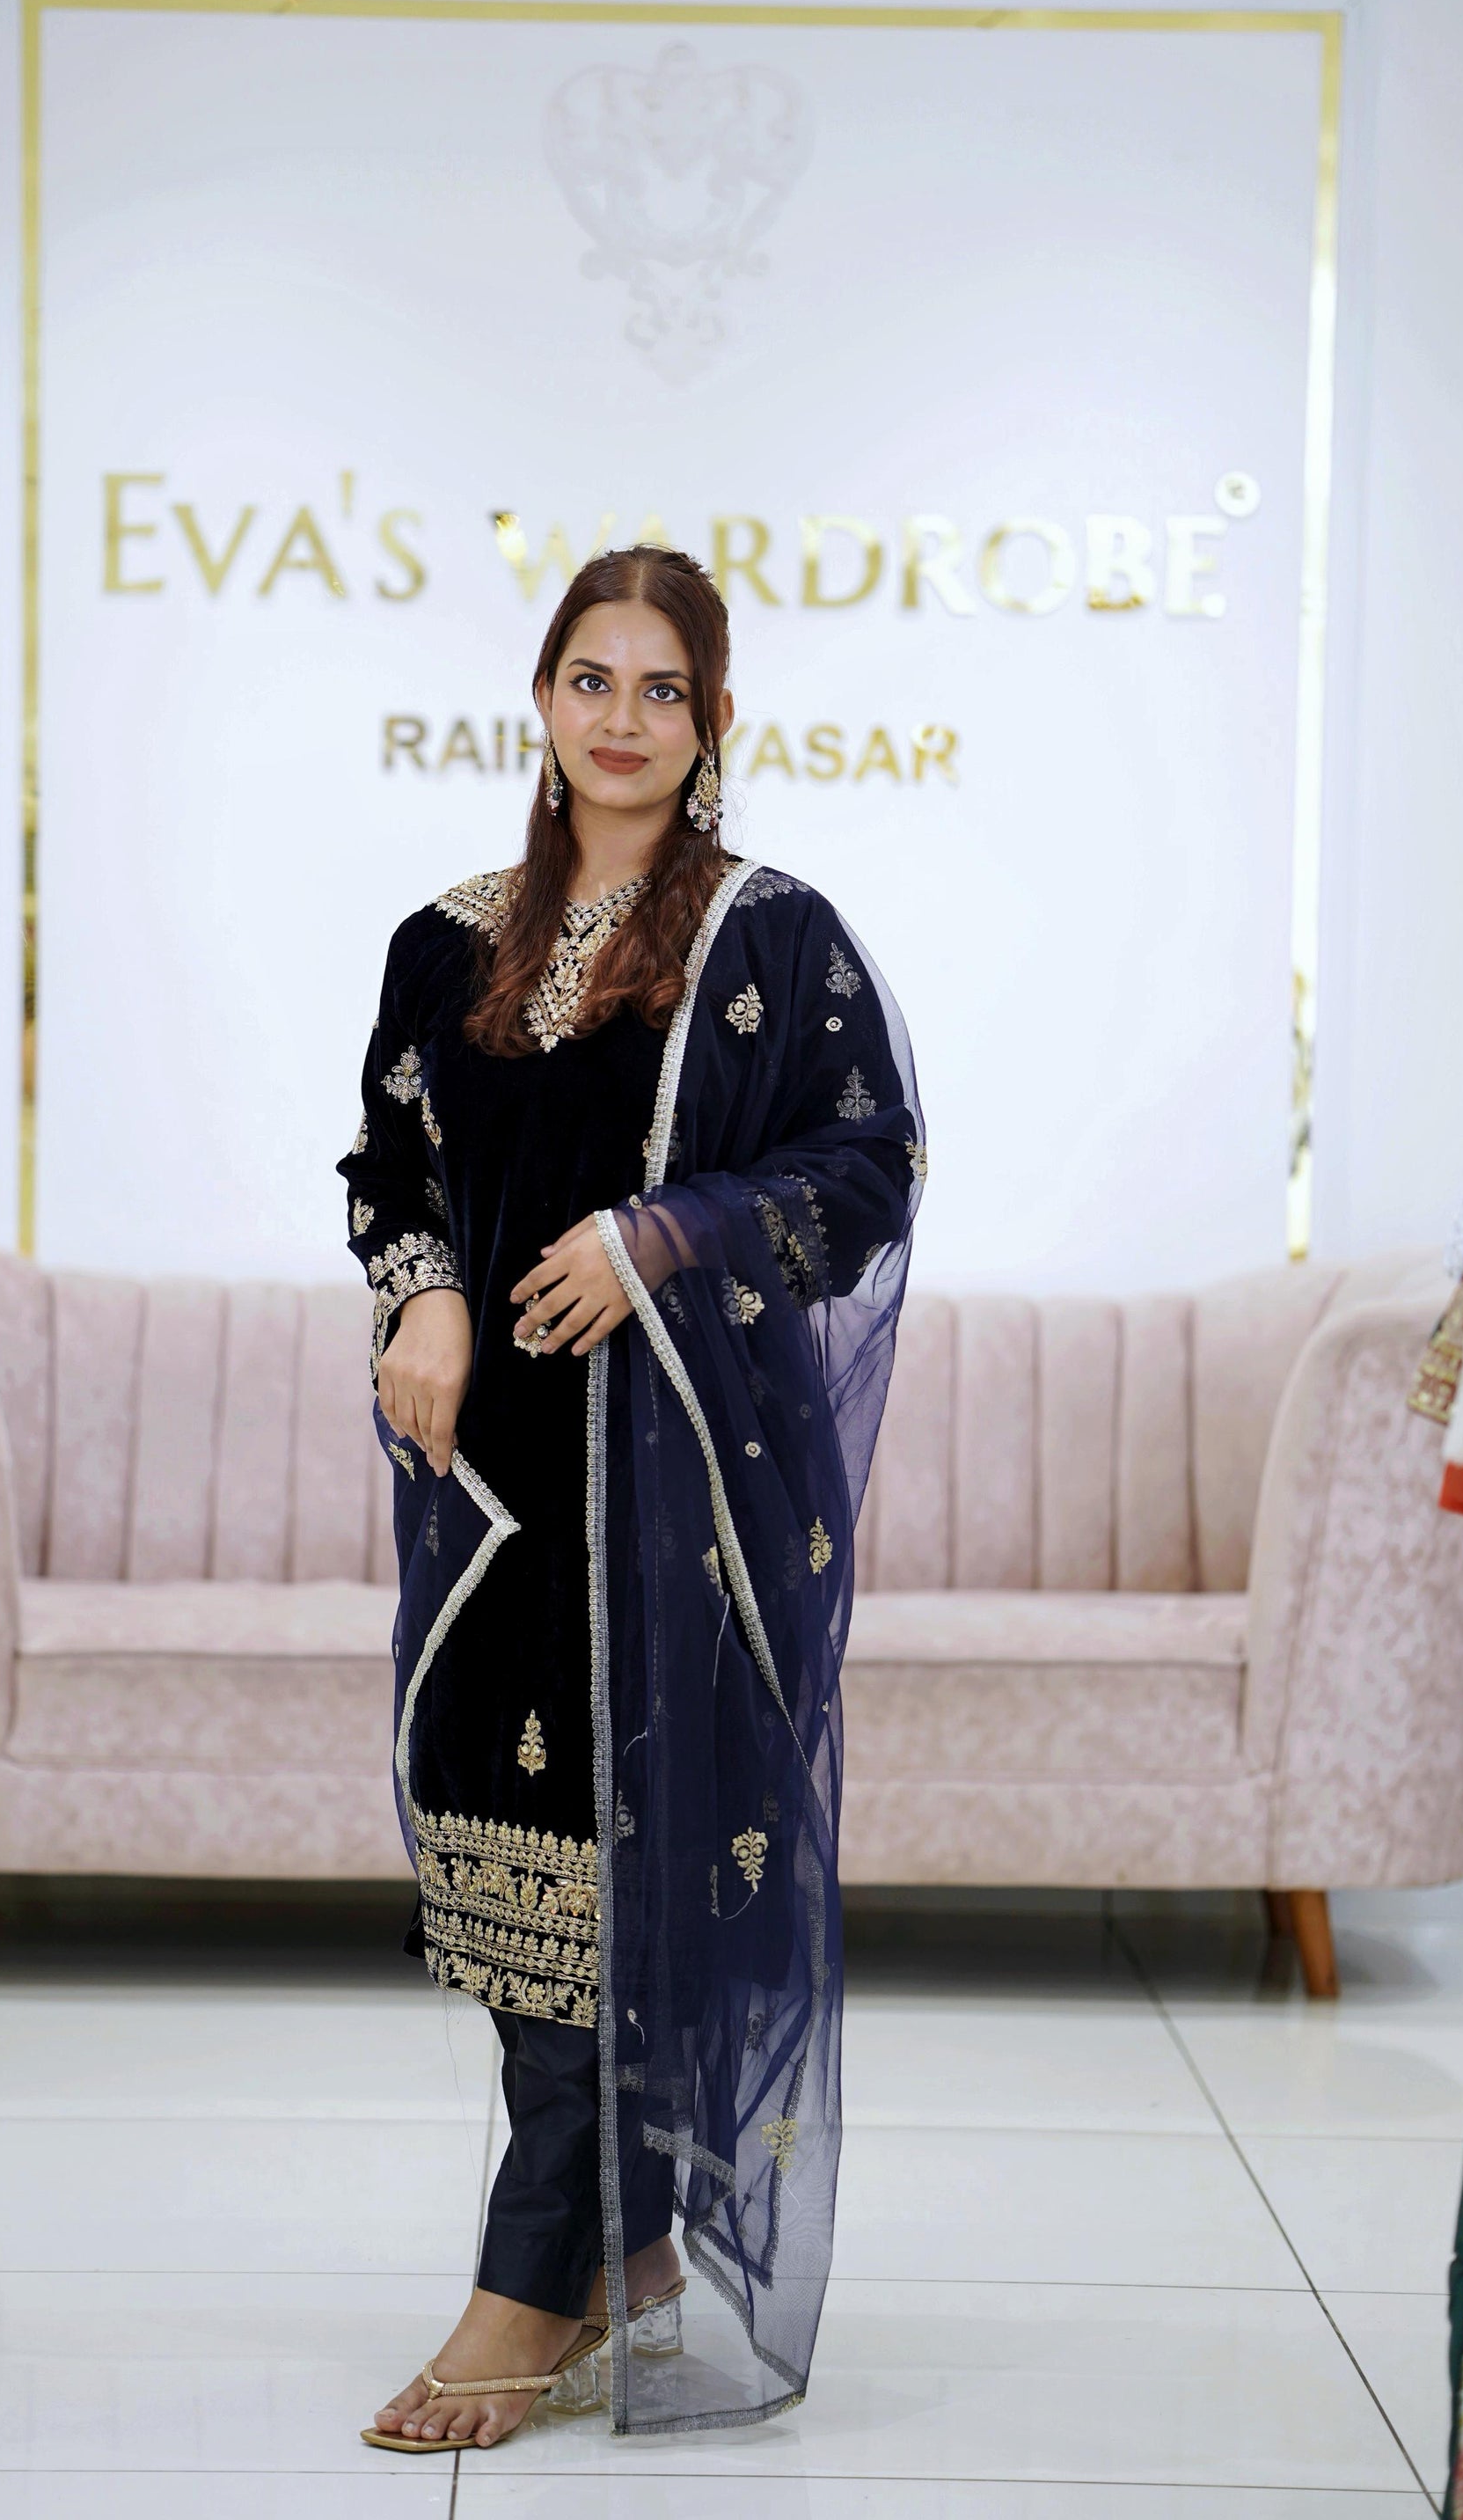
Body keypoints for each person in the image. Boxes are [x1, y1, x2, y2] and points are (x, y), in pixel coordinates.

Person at [340, 545, 924, 2451]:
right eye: (589, 679)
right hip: (497, 1498)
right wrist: (424, 1298)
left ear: (713, 719)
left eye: (660, 688)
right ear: (540, 698)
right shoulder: (447, 942)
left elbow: (869, 1169)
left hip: (684, 1501)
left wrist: (658, 1236)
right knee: (514, 1855)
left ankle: (524, 2294)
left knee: (641, 1873)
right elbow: (389, 1164)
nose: (620, 718)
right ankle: (634, 2254)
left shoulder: (772, 940)